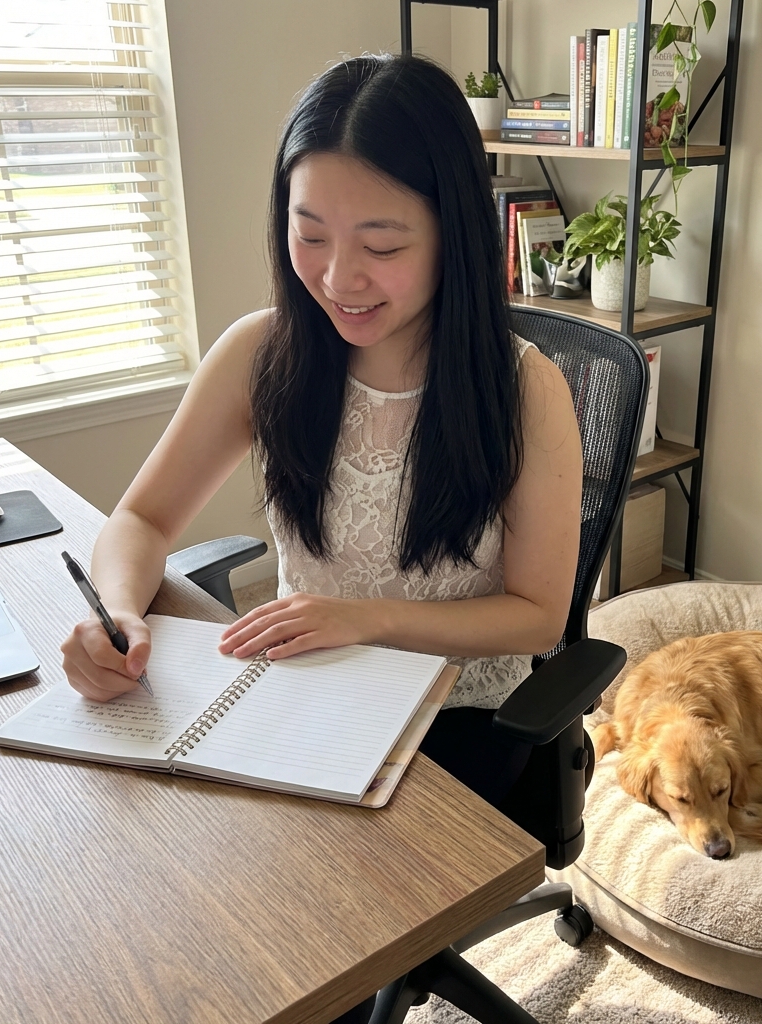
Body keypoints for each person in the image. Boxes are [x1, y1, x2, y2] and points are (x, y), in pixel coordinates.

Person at [60, 53, 582, 1024]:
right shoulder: (264, 355)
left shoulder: (521, 389)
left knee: (306, 953)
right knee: (160, 897)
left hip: (457, 725)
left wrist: (362, 616)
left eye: (381, 242)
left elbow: (537, 614)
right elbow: (138, 520)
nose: (339, 277)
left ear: (452, 233)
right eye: (310, 235)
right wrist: (121, 611)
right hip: (300, 699)